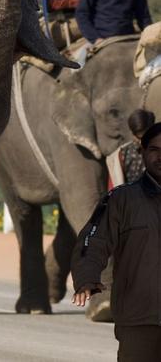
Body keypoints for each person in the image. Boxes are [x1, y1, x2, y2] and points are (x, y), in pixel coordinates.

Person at [72, 122, 161, 360]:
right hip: (139, 319)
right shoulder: (121, 199)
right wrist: (86, 277)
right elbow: (93, 240)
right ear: (142, 153)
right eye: (154, 150)